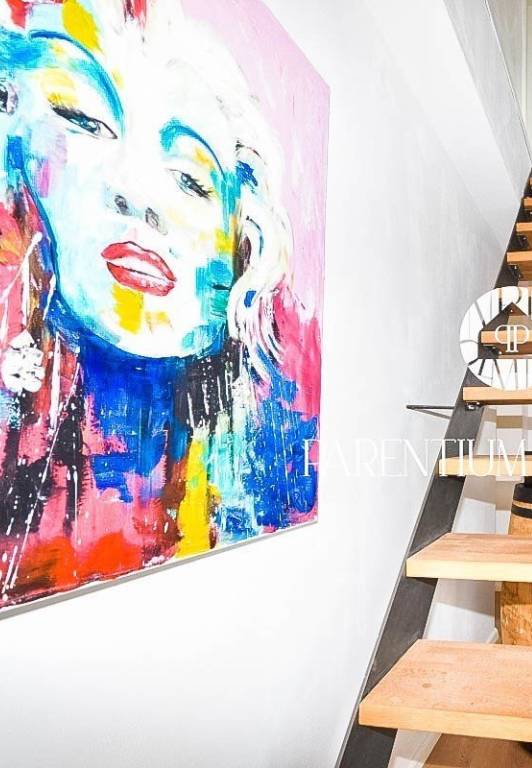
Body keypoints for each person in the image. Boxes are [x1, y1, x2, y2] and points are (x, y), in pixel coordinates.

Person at [0, 0, 319, 607]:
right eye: (85, 121)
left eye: (192, 179)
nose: (139, 194)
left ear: (243, 247)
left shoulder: (266, 462)